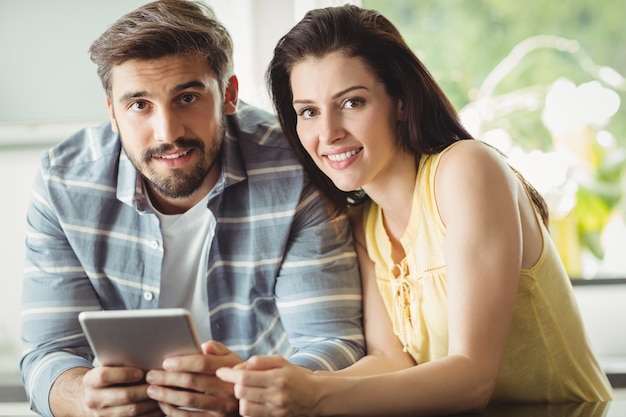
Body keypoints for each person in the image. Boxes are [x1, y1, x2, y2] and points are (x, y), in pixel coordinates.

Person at [215, 4, 614, 416]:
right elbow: (391, 362)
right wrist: (275, 386)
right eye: (309, 112)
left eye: (351, 102)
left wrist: (315, 396)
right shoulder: (363, 222)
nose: (328, 133)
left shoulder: (466, 170)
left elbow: (472, 378)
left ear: (400, 101)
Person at [19, 1, 366, 416]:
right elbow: (47, 354)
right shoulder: (63, 182)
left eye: (187, 97)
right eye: (139, 105)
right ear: (112, 112)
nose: (168, 132)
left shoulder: (294, 167)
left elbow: (332, 342)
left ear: (229, 95)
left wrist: (248, 393)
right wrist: (82, 399)